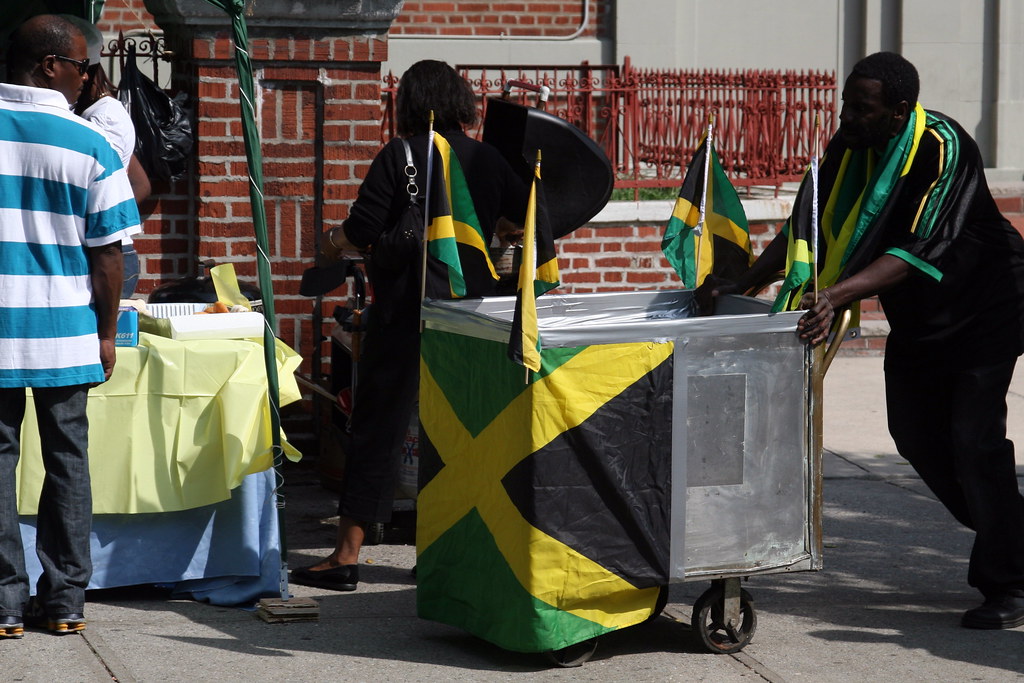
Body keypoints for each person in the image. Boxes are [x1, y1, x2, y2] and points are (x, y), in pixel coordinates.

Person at [701, 51, 1024, 630]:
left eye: (861, 108)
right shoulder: (850, 146)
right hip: (922, 319)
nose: (846, 117)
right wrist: (747, 279)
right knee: (915, 437)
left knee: (974, 444)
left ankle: (1009, 580)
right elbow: (814, 223)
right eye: (846, 104)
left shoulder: (943, 148)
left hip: (986, 308)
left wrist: (835, 295)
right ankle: (1012, 533)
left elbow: (917, 250)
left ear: (899, 111)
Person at [293, 59, 527, 591]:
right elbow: (530, 213)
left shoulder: (400, 155)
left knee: (378, 429)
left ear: (410, 104)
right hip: (469, 318)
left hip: (403, 313)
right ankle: (446, 552)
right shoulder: (487, 159)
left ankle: (346, 556)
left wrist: (334, 241)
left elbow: (363, 228)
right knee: (460, 437)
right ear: (457, 103)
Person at [0, 14, 141, 639]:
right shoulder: (89, 145)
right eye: (82, 67)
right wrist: (107, 333)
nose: (88, 79)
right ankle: (63, 600)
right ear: (50, 66)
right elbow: (109, 254)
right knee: (67, 458)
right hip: (64, 330)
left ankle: (3, 604)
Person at [63, 14, 151, 298]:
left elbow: (95, 182)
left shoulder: (105, 115)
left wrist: (105, 220)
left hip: (108, 254)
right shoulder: (86, 112)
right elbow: (139, 180)